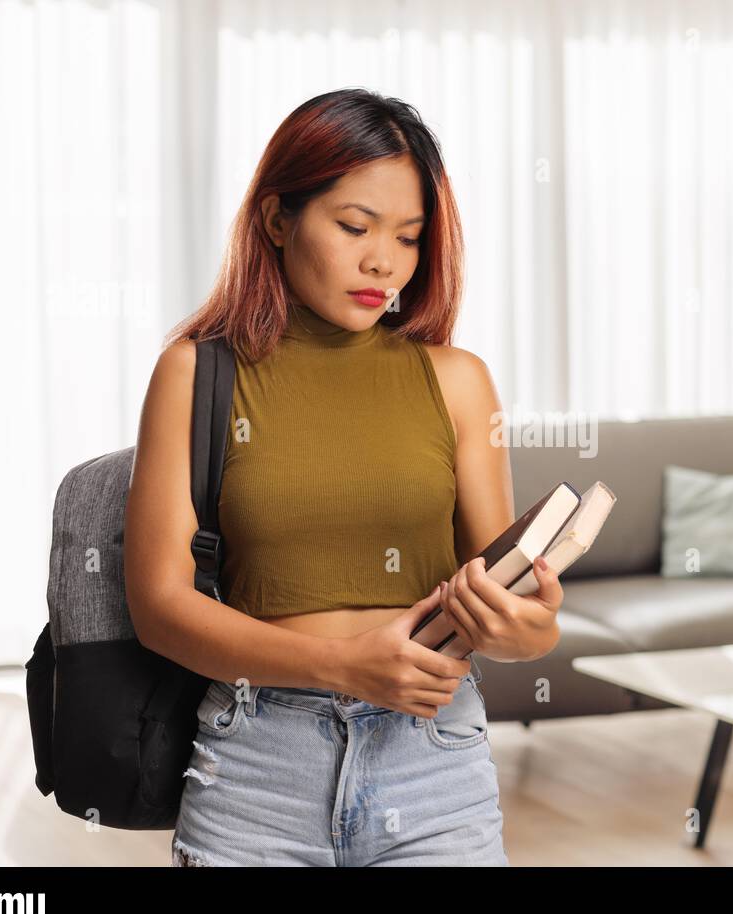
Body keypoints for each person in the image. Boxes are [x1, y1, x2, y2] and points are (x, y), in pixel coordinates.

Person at [123, 88, 564, 866]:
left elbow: (507, 599)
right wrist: (342, 665)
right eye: (355, 227)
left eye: (409, 236)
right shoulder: (195, 373)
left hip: (434, 763)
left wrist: (530, 626)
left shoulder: (458, 380)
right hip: (256, 768)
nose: (383, 261)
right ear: (277, 218)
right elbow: (159, 607)